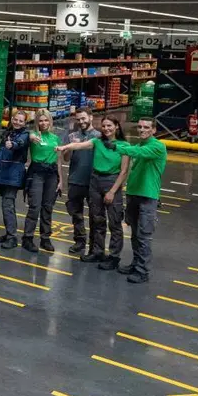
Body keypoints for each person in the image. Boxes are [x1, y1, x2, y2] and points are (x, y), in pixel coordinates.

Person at [56, 116, 130, 267]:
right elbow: (81, 145)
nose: (106, 128)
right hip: (95, 180)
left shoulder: (123, 145)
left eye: (109, 125)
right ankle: (97, 251)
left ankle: (114, 257)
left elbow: (123, 172)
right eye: (103, 126)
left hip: (112, 181)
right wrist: (65, 147)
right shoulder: (97, 141)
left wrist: (112, 191)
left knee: (114, 221)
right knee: (97, 219)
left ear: (117, 126)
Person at [112, 118, 167, 284]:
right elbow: (130, 148)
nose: (142, 130)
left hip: (148, 196)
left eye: (146, 127)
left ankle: (142, 271)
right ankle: (136, 264)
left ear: (154, 130)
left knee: (144, 235)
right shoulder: (139, 145)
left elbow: (135, 152)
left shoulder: (157, 146)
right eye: (140, 127)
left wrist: (115, 146)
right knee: (135, 234)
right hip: (134, 194)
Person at [59, 108, 101, 254]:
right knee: (76, 213)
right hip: (75, 180)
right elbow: (66, 158)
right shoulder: (72, 136)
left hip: (93, 182)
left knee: (95, 215)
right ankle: (79, 240)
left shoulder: (99, 136)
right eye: (78, 119)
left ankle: (94, 245)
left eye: (83, 118)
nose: (81, 122)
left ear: (91, 117)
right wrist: (70, 147)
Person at [21, 109, 60, 253]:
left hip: (52, 174)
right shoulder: (32, 136)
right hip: (36, 173)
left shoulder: (55, 138)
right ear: (36, 122)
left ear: (50, 121)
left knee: (48, 207)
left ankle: (45, 238)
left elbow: (59, 160)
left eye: (46, 120)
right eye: (40, 121)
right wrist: (30, 136)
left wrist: (61, 180)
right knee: (35, 206)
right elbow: (24, 134)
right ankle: (28, 237)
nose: (43, 123)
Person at [0, 110, 31, 250]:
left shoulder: (25, 134)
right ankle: (9, 233)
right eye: (16, 119)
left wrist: (12, 145)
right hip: (4, 174)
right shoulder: (8, 132)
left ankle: (12, 237)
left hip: (13, 176)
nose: (17, 122)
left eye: (21, 121)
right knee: (5, 205)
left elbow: (19, 143)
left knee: (8, 206)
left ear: (25, 123)